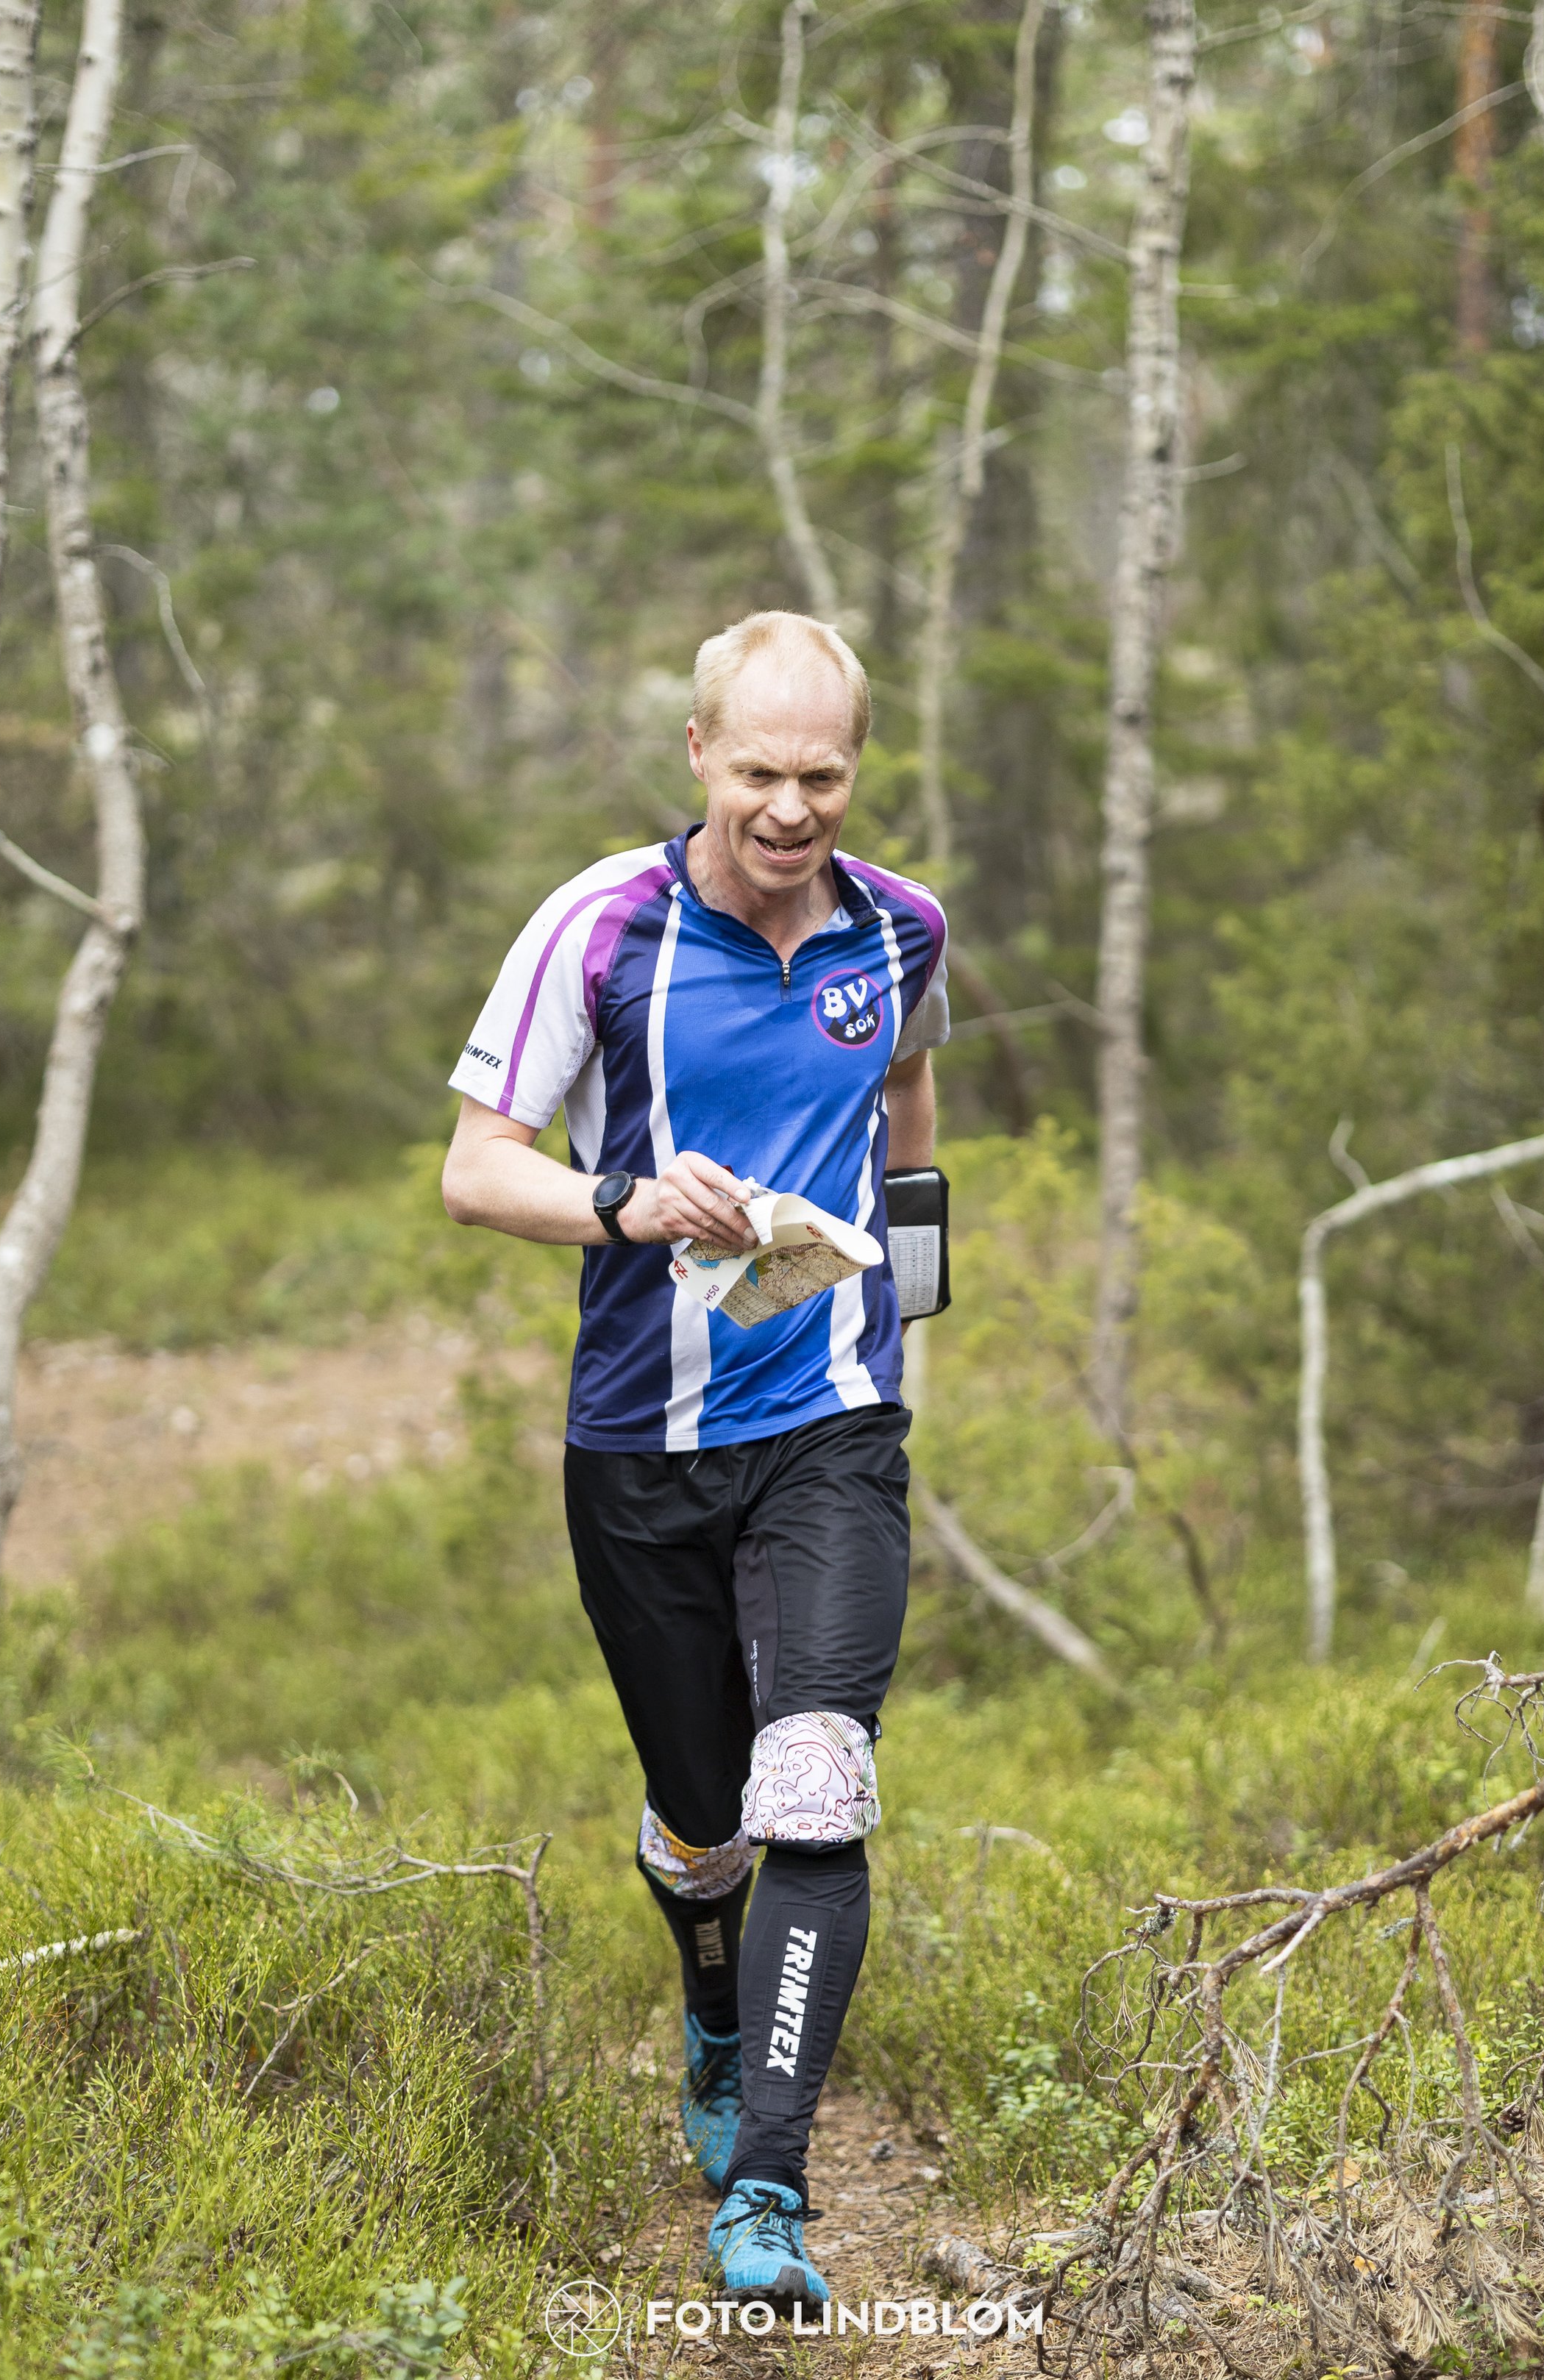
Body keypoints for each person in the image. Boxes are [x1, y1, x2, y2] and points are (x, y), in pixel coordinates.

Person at [441, 609, 947, 2312]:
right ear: (697, 757)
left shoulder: (902, 928)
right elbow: (472, 1168)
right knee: (701, 1818)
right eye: (757, 772)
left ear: (852, 766)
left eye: (821, 773)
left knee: (815, 1784)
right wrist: (625, 1201)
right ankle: (715, 2009)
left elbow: (908, 1112)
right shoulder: (602, 926)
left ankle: (768, 2187)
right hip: (639, 1447)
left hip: (830, 1428)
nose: (790, 808)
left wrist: (906, 1315)